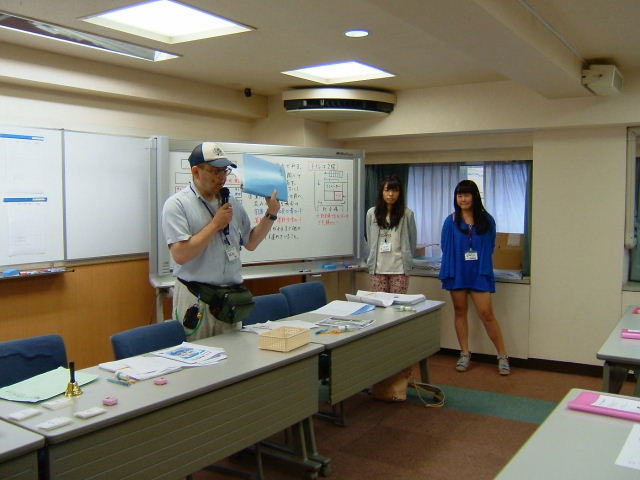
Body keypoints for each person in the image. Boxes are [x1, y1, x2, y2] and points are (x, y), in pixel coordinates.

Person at [162, 142, 280, 339]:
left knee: (234, 355)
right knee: (199, 354)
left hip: (230, 300)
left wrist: (271, 213)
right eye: (215, 171)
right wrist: (215, 224)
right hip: (196, 298)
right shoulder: (177, 205)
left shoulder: (232, 203)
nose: (222, 177)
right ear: (196, 171)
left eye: (224, 170)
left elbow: (251, 242)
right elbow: (180, 254)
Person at [439, 180, 510, 375]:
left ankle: (502, 356)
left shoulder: (487, 220)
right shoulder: (451, 221)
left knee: (487, 314)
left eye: (466, 195)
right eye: (459, 195)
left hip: (479, 273)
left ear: (475, 196)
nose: (462, 199)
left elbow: (491, 246)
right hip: (457, 273)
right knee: (460, 311)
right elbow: (445, 246)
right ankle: (464, 353)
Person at [365, 175, 417, 294]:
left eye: (395, 190)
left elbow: (412, 241)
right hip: (377, 269)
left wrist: (408, 260)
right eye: (387, 190)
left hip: (400, 269)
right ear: (381, 192)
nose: (390, 194)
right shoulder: (371, 213)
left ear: (400, 193)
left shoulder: (407, 214)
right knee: (380, 303)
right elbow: (370, 239)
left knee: (397, 303)